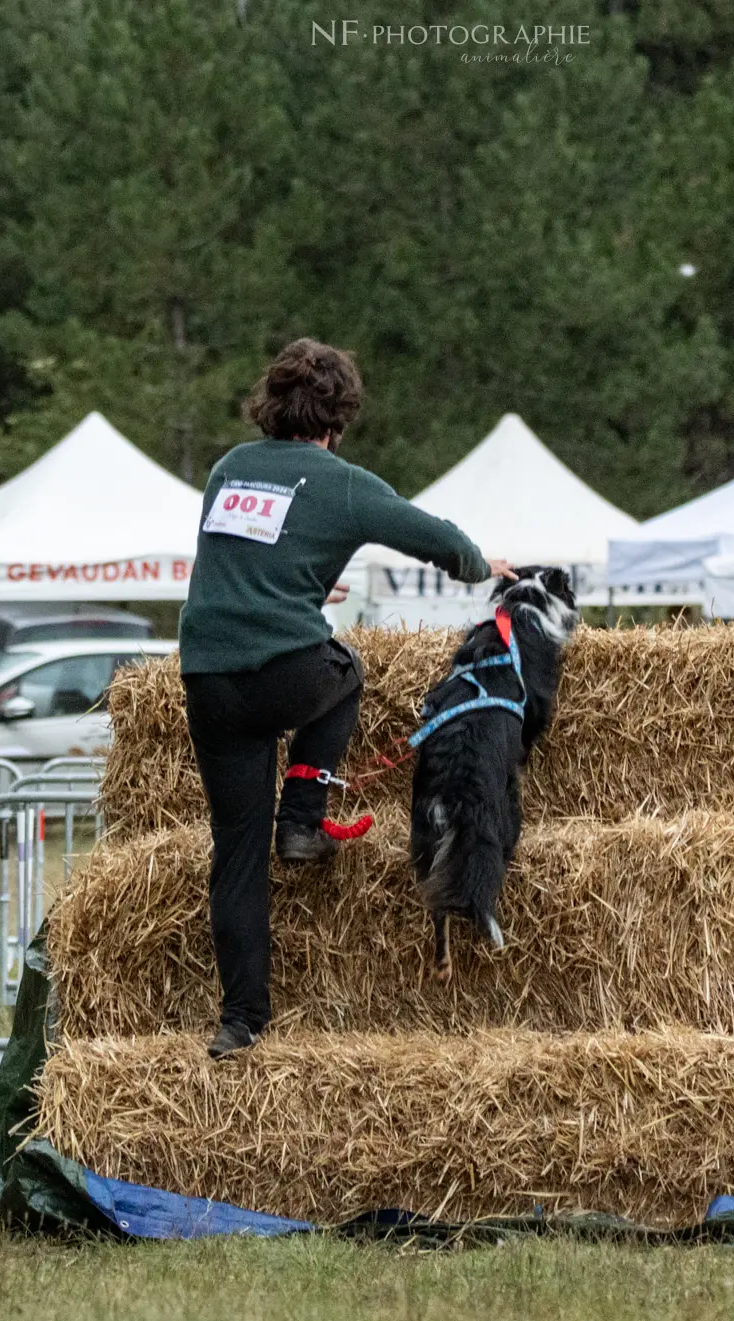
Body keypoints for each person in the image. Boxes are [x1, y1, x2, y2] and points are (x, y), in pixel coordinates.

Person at [178, 338, 509, 1058]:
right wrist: (486, 565)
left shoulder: (228, 469)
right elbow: (439, 542)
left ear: (271, 404)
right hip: (284, 667)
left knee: (235, 855)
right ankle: (303, 818)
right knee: (346, 672)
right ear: (340, 416)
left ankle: (241, 1022)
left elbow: (238, 561)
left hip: (207, 676)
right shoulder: (342, 481)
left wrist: (296, 582)